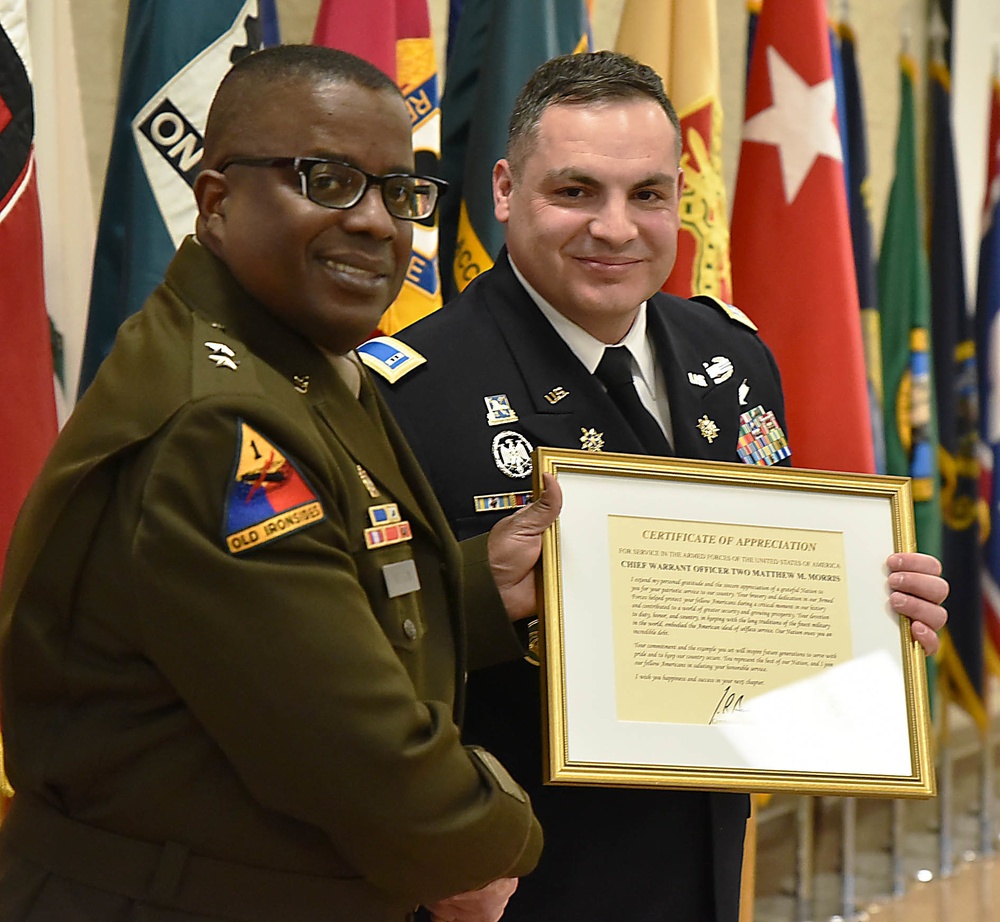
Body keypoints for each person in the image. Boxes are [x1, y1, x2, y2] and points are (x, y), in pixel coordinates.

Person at [370, 51, 949, 922]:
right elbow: (352, 656)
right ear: (503, 190)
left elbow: (758, 601)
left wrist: (872, 624)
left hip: (709, 860)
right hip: (514, 878)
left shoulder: (731, 354)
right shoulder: (409, 390)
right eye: (575, 192)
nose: (616, 228)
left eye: (648, 194)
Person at [0, 45, 562, 922]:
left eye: (399, 190)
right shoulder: (220, 421)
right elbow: (353, 749)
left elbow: (324, 601)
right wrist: (500, 838)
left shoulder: (293, 357)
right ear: (217, 199)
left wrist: (483, 586)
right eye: (329, 179)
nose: (379, 222)